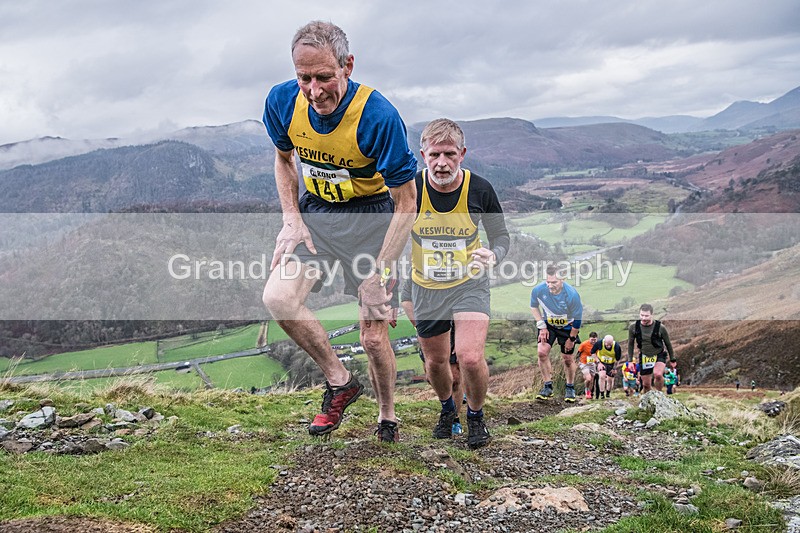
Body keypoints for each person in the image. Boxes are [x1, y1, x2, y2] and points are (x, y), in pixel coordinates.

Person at [262, 21, 418, 443]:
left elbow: (407, 201)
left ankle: (387, 413)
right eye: (304, 78)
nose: (315, 91)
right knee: (278, 297)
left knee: (372, 336)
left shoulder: (378, 116)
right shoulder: (281, 102)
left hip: (372, 224)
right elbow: (283, 160)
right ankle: (340, 382)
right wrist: (291, 217)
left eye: (325, 77)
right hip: (317, 218)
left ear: (347, 66)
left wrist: (377, 275)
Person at [409, 118, 510, 449]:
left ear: (462, 153)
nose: (442, 164)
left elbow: (501, 236)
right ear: (422, 154)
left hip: (470, 283)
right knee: (436, 362)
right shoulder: (409, 188)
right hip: (425, 287)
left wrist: (494, 255)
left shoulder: (480, 189)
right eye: (435, 155)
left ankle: (476, 417)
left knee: (468, 356)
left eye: (449, 154)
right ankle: (447, 409)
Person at [400, 281, 464, 436]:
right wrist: (418, 325)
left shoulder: (459, 269)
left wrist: (463, 333)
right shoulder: (417, 273)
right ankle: (448, 403)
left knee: (455, 377)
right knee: (432, 374)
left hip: (456, 323)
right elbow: (406, 299)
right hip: (429, 323)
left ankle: (453, 419)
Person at [530, 265, 584, 402]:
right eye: (548, 282)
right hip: (548, 325)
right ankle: (547, 386)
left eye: (554, 282)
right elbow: (533, 306)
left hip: (567, 328)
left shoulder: (572, 295)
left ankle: (570, 387)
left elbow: (578, 319)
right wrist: (541, 325)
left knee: (567, 358)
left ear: (563, 279)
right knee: (542, 352)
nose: (550, 285)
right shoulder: (538, 290)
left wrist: (571, 339)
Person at [627, 303, 676, 394]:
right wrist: (630, 360)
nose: (644, 318)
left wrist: (672, 359)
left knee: (658, 374)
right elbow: (630, 344)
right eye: (642, 315)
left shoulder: (660, 328)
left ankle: (659, 395)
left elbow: (668, 344)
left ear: (652, 315)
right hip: (644, 356)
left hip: (659, 354)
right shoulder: (633, 327)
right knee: (646, 385)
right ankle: (648, 401)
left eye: (646, 316)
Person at [591, 334, 622, 399]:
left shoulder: (616, 346)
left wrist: (614, 368)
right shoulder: (599, 343)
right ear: (604, 341)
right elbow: (593, 352)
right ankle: (602, 394)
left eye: (610, 344)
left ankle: (608, 393)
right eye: (607, 344)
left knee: (610, 380)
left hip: (612, 363)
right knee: (602, 376)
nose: (608, 346)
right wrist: (598, 363)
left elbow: (618, 359)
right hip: (602, 362)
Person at [576, 332, 598, 399]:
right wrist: (577, 362)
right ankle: (587, 391)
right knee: (588, 378)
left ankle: (590, 392)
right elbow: (578, 353)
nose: (593, 341)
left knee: (592, 380)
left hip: (592, 364)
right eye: (592, 340)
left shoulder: (598, 345)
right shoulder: (584, 344)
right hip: (584, 363)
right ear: (589, 339)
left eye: (595, 340)